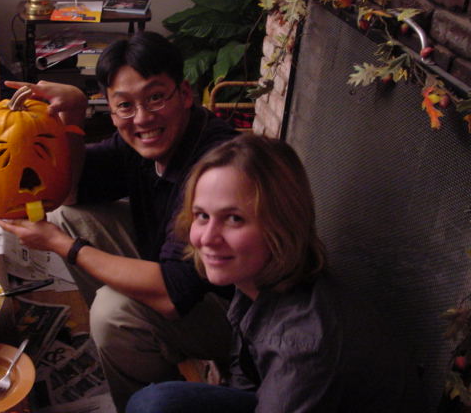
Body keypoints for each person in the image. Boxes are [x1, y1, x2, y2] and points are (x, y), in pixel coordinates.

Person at [0, 31, 240, 412]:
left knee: (113, 314)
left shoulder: (214, 165)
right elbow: (72, 192)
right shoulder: (137, 140)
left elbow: (173, 293)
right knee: (70, 217)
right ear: (110, 110)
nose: (142, 117)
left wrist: (63, 246)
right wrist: (74, 118)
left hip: (233, 314)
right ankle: (139, 350)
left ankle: (154, 393)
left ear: (185, 94)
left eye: (156, 97)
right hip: (170, 267)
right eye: (125, 105)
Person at [126, 134, 420, 413]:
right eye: (202, 215)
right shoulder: (257, 281)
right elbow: (246, 382)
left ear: (281, 223)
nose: (208, 238)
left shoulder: (301, 341)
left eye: (234, 219)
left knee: (156, 405)